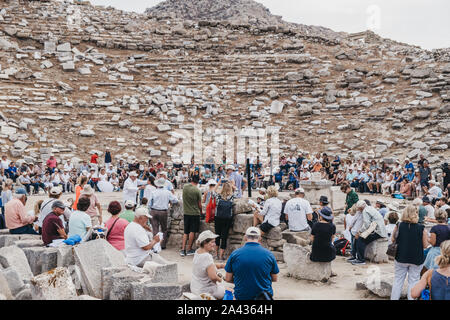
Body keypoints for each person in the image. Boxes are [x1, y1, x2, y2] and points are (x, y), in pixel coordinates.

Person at [225, 227, 279, 300]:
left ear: (245, 238)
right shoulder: (269, 255)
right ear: (260, 238)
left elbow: (228, 279)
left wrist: (242, 281)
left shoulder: (235, 254)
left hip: (242, 296)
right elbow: (274, 278)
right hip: (264, 296)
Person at [390, 205, 428, 300]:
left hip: (401, 256)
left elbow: (393, 239)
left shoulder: (399, 225)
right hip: (416, 258)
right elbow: (425, 245)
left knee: (398, 280)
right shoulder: (421, 228)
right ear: (415, 214)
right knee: (413, 281)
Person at [190, 230, 226, 299]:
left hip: (195, 287)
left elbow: (207, 266)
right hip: (204, 291)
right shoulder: (207, 256)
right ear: (205, 243)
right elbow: (213, 277)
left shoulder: (197, 252)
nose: (214, 244)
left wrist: (222, 265)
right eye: (212, 242)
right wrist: (221, 280)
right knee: (229, 291)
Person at [351, 200, 387, 265]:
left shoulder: (365, 211)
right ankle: (356, 257)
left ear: (361, 208)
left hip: (377, 231)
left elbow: (366, 224)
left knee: (360, 239)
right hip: (380, 229)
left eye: (359, 209)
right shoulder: (370, 208)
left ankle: (361, 259)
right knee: (360, 238)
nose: (358, 210)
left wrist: (359, 232)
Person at [147, 178, 179, 249]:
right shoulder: (167, 192)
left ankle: (155, 244)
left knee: (155, 228)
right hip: (163, 211)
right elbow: (175, 200)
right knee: (164, 228)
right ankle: (162, 245)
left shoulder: (154, 192)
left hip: (154, 210)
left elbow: (149, 203)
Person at [180, 175, 202, 256]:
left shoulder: (185, 187)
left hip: (186, 212)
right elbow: (199, 204)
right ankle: (189, 249)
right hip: (194, 213)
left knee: (186, 231)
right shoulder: (197, 190)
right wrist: (201, 211)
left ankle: (183, 249)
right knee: (192, 231)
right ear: (198, 181)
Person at [213, 181, 235, 261]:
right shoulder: (232, 197)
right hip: (227, 218)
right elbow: (239, 192)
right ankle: (221, 256)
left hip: (218, 217)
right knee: (224, 237)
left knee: (217, 236)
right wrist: (232, 184)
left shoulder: (218, 196)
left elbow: (212, 191)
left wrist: (218, 183)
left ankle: (215, 255)